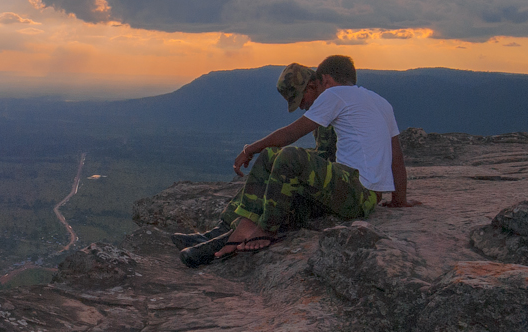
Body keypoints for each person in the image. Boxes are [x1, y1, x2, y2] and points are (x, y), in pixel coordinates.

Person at [211, 55, 419, 260]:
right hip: (368, 196)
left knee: (289, 156)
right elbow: (396, 157)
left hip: (355, 189)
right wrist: (399, 200)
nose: (303, 104)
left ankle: (266, 230)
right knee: (272, 155)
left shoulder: (334, 94)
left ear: (326, 80)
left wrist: (249, 150)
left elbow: (290, 134)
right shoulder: (381, 102)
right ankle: (244, 223)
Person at [171, 63, 336, 252]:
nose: (301, 106)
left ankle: (227, 238)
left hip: (331, 189)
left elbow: (296, 140)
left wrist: (253, 151)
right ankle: (221, 230)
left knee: (276, 172)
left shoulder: (332, 109)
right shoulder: (326, 109)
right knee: (271, 164)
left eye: (300, 98)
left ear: (312, 87)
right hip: (326, 180)